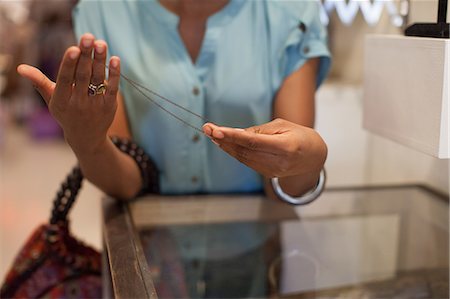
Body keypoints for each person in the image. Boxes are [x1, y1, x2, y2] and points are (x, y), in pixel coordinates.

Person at [17, 0, 331, 297]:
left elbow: (285, 176)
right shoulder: (106, 11)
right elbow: (126, 180)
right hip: (148, 263)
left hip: (256, 261)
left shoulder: (290, 12)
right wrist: (87, 142)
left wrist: (309, 162)